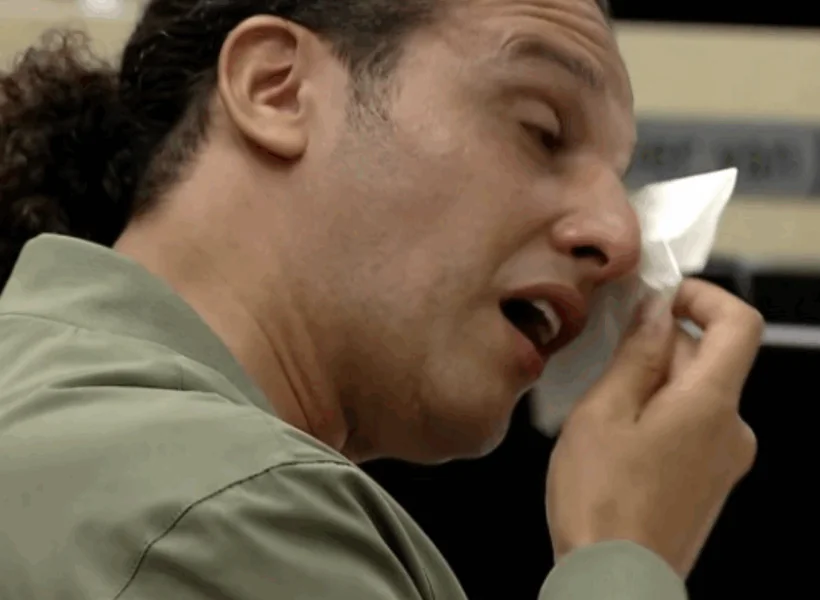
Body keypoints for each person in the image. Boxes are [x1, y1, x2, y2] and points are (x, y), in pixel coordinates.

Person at [0, 0, 763, 598]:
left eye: (617, 177)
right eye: (541, 131)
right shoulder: (221, 509)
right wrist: (622, 551)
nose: (620, 237)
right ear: (276, 89)